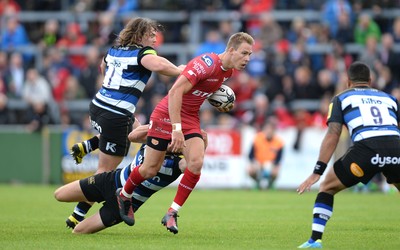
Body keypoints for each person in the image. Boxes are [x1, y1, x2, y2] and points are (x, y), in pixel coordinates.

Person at [116, 32, 255, 234]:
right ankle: (125, 195)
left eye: (250, 54)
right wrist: (176, 129)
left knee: (196, 162)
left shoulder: (228, 73)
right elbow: (174, 92)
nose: (247, 59)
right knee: (150, 170)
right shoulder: (206, 63)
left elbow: (199, 92)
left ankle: (172, 212)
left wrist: (217, 101)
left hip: (190, 117)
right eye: (244, 53)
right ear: (231, 50)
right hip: (167, 114)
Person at [66, 17, 183, 228]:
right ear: (140, 36)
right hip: (115, 114)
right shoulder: (143, 53)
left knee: (136, 127)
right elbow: (157, 64)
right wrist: (181, 70)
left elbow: (103, 68)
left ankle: (89, 144)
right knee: (104, 171)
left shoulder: (113, 50)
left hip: (98, 106)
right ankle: (77, 214)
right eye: (151, 35)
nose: (155, 38)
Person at [297, 61, 400, 248]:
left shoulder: (341, 98)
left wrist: (317, 172)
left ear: (348, 82)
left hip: (367, 149)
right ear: (370, 80)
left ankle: (315, 240)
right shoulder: (390, 98)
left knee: (327, 186)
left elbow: (333, 134)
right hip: (396, 148)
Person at [55, 126, 183, 233]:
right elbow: (132, 134)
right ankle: (78, 214)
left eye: (175, 141)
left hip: (127, 206)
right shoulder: (154, 140)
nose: (172, 143)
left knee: (78, 231)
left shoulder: (179, 163)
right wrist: (157, 127)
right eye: (171, 140)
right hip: (111, 181)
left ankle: (78, 216)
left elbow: (194, 164)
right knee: (59, 195)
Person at [247, 117, 284, 190]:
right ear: (264, 130)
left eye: (271, 129)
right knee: (250, 170)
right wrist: (254, 162)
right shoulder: (257, 138)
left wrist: (274, 164)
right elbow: (250, 155)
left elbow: (279, 158)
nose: (269, 131)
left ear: (274, 131)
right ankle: (257, 183)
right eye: (267, 129)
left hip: (270, 164)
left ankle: (270, 184)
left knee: (274, 171)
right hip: (258, 163)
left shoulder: (279, 141)